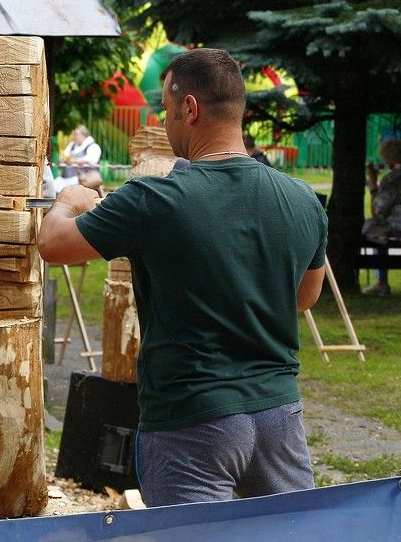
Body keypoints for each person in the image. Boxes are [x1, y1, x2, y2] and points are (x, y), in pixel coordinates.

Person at [38, 48, 327, 507]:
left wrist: (70, 200)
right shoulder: (302, 199)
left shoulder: (154, 198)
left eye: (167, 112)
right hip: (277, 418)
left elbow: (54, 246)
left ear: (189, 108)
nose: (165, 123)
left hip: (190, 423)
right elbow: (304, 298)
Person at [361, 138, 401, 295]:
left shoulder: (392, 179)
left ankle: (382, 282)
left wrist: (372, 185)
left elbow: (377, 210)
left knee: (374, 230)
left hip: (396, 227)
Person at [58, 125, 103, 191]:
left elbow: (92, 160)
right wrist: (65, 159)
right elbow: (63, 156)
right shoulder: (72, 145)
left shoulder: (93, 146)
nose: (74, 137)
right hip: (67, 178)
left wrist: (75, 160)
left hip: (85, 179)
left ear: (83, 135)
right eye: (73, 134)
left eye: (76, 134)